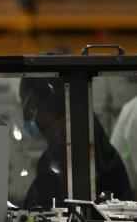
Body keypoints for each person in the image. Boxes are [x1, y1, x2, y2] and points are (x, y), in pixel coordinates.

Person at [20, 77, 131, 209]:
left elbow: (36, 214)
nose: (29, 118)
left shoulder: (58, 158)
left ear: (44, 105)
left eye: (28, 110)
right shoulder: (99, 146)